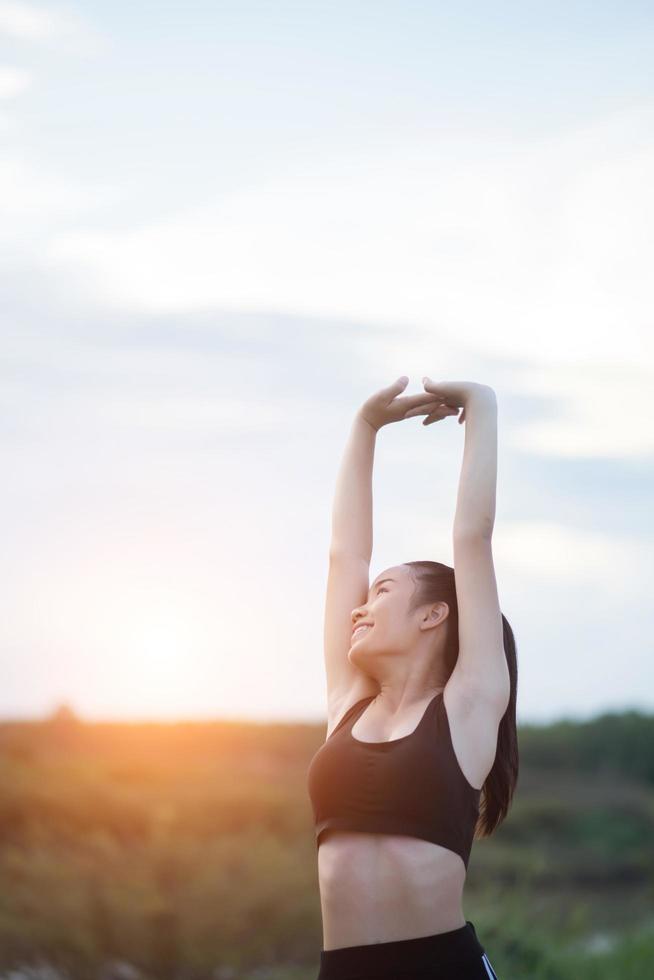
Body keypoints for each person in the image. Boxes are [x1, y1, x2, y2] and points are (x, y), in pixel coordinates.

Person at [307, 377, 519, 979]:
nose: (358, 608)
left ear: (434, 613)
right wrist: (365, 427)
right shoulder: (347, 704)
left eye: (382, 592)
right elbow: (345, 554)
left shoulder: (469, 708)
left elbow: (471, 537)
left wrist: (480, 405)